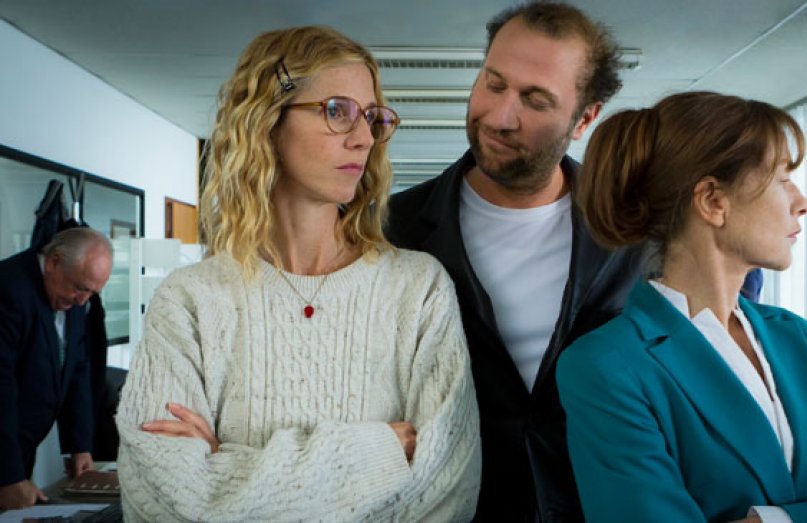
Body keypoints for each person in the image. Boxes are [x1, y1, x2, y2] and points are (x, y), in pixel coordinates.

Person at [115, 26, 480, 521]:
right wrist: (374, 452)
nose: (363, 138)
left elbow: (446, 492)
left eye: (372, 117)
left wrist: (223, 466)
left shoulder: (418, 289)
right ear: (267, 121)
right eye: (337, 111)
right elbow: (162, 503)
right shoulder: (191, 300)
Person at [557, 91, 807, 521]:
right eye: (783, 180)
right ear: (713, 202)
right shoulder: (605, 367)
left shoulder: (800, 340)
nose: (802, 203)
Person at [387, 2, 650, 519]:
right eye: (494, 84)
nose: (500, 117)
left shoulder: (636, 235)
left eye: (535, 100)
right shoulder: (391, 230)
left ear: (585, 118)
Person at [0, 227, 113, 509]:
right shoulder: (7, 288)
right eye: (80, 288)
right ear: (53, 262)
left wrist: (80, 446)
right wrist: (8, 476)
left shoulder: (74, 295)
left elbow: (77, 369)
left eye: (92, 293)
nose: (82, 301)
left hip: (20, 449)